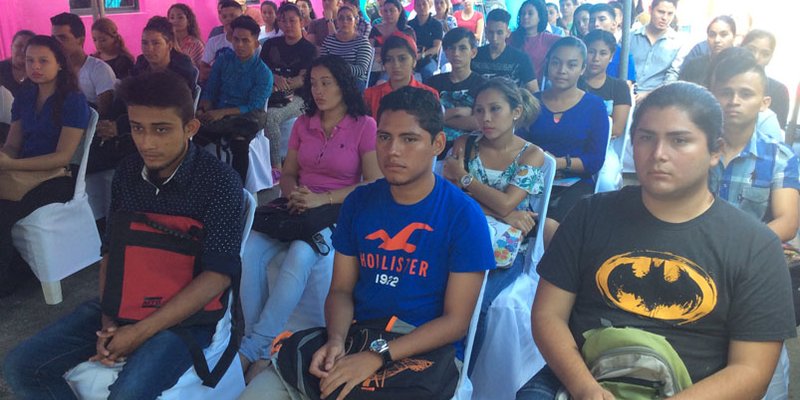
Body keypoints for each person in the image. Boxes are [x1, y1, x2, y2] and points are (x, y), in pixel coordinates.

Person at [515, 81, 796, 400]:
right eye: (646, 138)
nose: (659, 154)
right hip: (584, 378)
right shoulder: (589, 216)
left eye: (680, 140)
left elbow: (751, 371)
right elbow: (548, 315)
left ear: (715, 151)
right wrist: (585, 388)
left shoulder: (754, 245)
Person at [239, 85, 495, 400]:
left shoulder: (463, 215)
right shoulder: (360, 202)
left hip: (420, 350)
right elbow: (342, 291)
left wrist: (378, 355)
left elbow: (455, 322)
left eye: (409, 139)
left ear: (437, 144)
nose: (393, 151)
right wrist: (335, 340)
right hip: (356, 336)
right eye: (385, 137)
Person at [3, 70, 245, 399]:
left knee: (128, 392)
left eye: (161, 129)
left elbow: (218, 277)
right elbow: (111, 252)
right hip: (125, 301)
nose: (146, 142)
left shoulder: (219, 182)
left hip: (186, 318)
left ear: (190, 128)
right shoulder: (129, 172)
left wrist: (140, 332)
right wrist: (109, 322)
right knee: (19, 365)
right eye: (137, 128)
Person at [238, 55, 382, 383]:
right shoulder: (305, 123)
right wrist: (295, 196)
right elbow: (288, 173)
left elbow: (372, 183)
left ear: (343, 85)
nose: (318, 90)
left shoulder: (363, 125)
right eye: (313, 83)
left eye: (326, 82)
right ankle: (255, 337)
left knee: (301, 255)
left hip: (339, 210)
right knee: (249, 251)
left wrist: (322, 199)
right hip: (298, 206)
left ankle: (255, 348)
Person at [707, 47, 798, 400]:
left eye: (745, 93)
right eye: (725, 92)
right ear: (711, 94)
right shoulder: (692, 148)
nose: (734, 101)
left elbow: (788, 222)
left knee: (763, 375)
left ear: (764, 102)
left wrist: (737, 251)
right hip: (695, 258)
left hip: (753, 271)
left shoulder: (780, 156)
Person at [442, 77, 545, 372]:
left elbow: (505, 202)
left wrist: (465, 179)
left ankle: (461, 374)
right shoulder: (465, 143)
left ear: (516, 111)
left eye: (495, 109)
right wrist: (504, 213)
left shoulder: (531, 154)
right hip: (459, 237)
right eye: (479, 110)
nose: (485, 118)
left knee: (479, 305)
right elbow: (450, 199)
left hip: (504, 249)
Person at [0, 35, 90, 297]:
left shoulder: (72, 100)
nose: (35, 67)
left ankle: (7, 282)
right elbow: (13, 145)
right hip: (24, 171)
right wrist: (5, 159)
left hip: (59, 178)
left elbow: (63, 156)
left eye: (43, 61)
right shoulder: (25, 95)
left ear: (59, 64)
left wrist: (14, 165)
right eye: (30, 61)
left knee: (4, 212)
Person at [90, 16, 199, 174]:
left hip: (159, 132)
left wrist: (120, 127)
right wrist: (109, 122)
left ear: (168, 45)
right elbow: (125, 97)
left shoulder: (180, 72)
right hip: (130, 126)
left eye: (156, 43)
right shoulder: (141, 65)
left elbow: (162, 112)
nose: (149, 48)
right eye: (144, 43)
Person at [520, 37, 608, 222]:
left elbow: (595, 160)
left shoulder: (594, 106)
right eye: (556, 63)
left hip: (574, 183)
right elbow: (518, 146)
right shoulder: (532, 101)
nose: (562, 71)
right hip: (529, 179)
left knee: (561, 224)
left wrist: (558, 163)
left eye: (572, 65)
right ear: (548, 64)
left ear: (583, 69)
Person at [196, 15, 272, 183]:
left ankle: (238, 191)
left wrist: (222, 113)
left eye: (245, 40)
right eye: (236, 39)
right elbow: (211, 90)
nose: (239, 45)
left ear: (256, 43)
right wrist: (205, 107)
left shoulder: (263, 72)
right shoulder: (223, 60)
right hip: (218, 113)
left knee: (239, 139)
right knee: (192, 133)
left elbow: (253, 105)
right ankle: (199, 183)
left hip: (246, 116)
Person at [260, 3, 317, 169]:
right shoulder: (270, 45)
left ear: (302, 21)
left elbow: (302, 79)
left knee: (270, 118)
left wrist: (279, 86)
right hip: (268, 93)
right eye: (283, 21)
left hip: (299, 98)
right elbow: (261, 71)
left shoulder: (309, 49)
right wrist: (274, 77)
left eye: (292, 20)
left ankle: (277, 168)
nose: (288, 25)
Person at [425, 28, 486, 152]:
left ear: (473, 52)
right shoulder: (433, 82)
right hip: (433, 147)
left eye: (462, 48)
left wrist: (442, 119)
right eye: (452, 48)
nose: (456, 53)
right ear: (446, 53)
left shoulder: (483, 85)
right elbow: (425, 119)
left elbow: (479, 122)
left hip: (470, 148)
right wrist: (458, 111)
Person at [50, 12, 116, 118]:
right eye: (54, 38)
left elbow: (103, 113)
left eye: (63, 38)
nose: (57, 43)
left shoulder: (99, 69)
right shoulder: (52, 70)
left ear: (80, 40)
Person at [364, 35, 439, 117]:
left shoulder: (429, 95)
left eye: (402, 59)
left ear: (414, 61)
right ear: (384, 64)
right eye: (389, 59)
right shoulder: (371, 95)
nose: (396, 65)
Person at [472, 8, 538, 93]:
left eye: (499, 33)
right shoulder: (474, 55)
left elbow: (534, 91)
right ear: (486, 32)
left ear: (508, 33)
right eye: (491, 32)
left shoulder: (521, 58)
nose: (494, 38)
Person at [581, 29, 631, 140]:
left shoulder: (620, 87)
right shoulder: (573, 83)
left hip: (606, 147)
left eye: (603, 53)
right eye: (591, 52)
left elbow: (617, 129)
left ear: (611, 56)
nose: (596, 59)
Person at [629, 0, 683, 101]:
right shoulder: (630, 37)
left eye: (670, 14)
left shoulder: (678, 43)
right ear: (650, 10)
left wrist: (647, 95)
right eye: (661, 12)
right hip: (625, 94)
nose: (665, 18)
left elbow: (671, 78)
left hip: (657, 99)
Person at [742, 29, 790, 129]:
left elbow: (776, 133)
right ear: (740, 48)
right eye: (751, 50)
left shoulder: (778, 91)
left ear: (770, 57)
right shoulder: (724, 80)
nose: (756, 57)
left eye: (765, 54)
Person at [320, 4, 374, 91]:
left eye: (349, 18)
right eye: (341, 18)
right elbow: (322, 63)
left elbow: (361, 70)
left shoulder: (362, 42)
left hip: (353, 81)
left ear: (355, 21)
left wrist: (339, 68)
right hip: (331, 79)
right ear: (337, 21)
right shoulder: (329, 40)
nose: (345, 21)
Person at [509, 0, 561, 84]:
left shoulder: (549, 39)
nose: (525, 16)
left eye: (530, 13)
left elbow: (571, 44)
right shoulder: (510, 37)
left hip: (536, 89)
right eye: (523, 13)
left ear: (540, 17)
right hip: (511, 85)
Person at [678, 16, 735, 87]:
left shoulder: (740, 66)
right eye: (712, 35)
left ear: (734, 36)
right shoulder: (694, 66)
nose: (717, 40)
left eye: (723, 35)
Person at [589, 3, 636, 83]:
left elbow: (626, 87)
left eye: (602, 19)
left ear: (614, 24)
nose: (596, 24)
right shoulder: (580, 51)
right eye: (592, 20)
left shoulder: (623, 55)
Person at [200, 0, 243, 82]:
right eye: (224, 16)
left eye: (232, 15)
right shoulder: (213, 42)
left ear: (242, 15)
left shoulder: (252, 44)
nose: (228, 19)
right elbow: (203, 69)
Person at [409, 0, 443, 80]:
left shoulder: (436, 25)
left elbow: (436, 48)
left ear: (430, 5)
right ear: (414, 8)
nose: (421, 7)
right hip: (411, 58)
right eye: (418, 5)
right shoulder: (409, 25)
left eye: (424, 4)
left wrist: (422, 55)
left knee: (428, 71)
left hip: (429, 58)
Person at [0, 30, 35, 97]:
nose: (23, 50)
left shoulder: (40, 72)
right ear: (11, 47)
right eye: (19, 45)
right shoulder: (1, 68)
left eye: (28, 46)